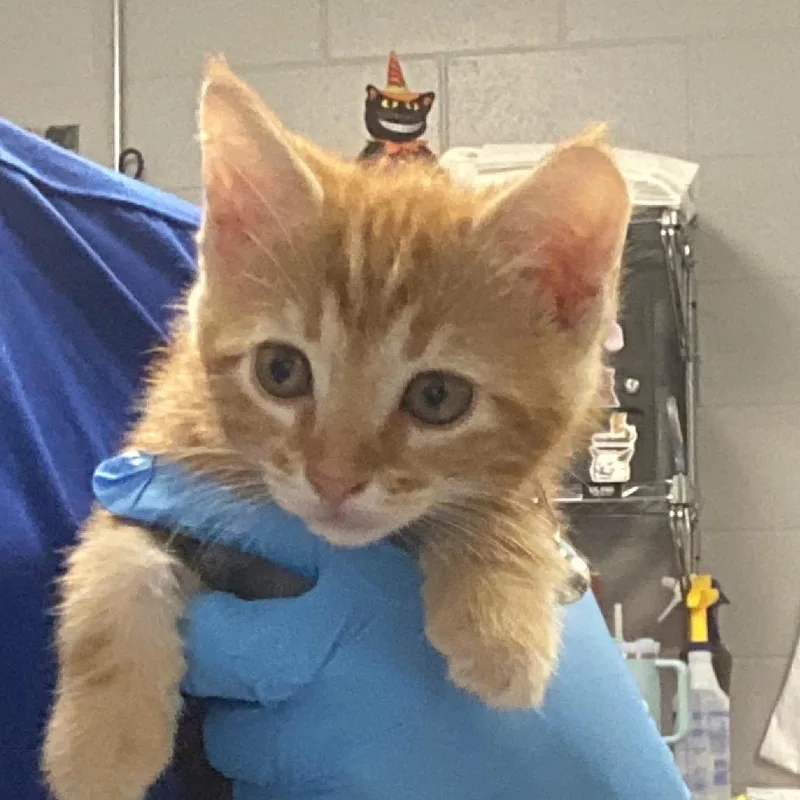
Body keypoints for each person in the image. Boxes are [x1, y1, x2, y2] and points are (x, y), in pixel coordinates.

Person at [1, 119, 688, 799]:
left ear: (564, 296)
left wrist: (506, 549)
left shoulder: (107, 233)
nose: (334, 472)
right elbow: (129, 537)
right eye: (283, 373)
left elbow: (517, 483)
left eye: (434, 397)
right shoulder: (237, 311)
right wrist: (115, 637)